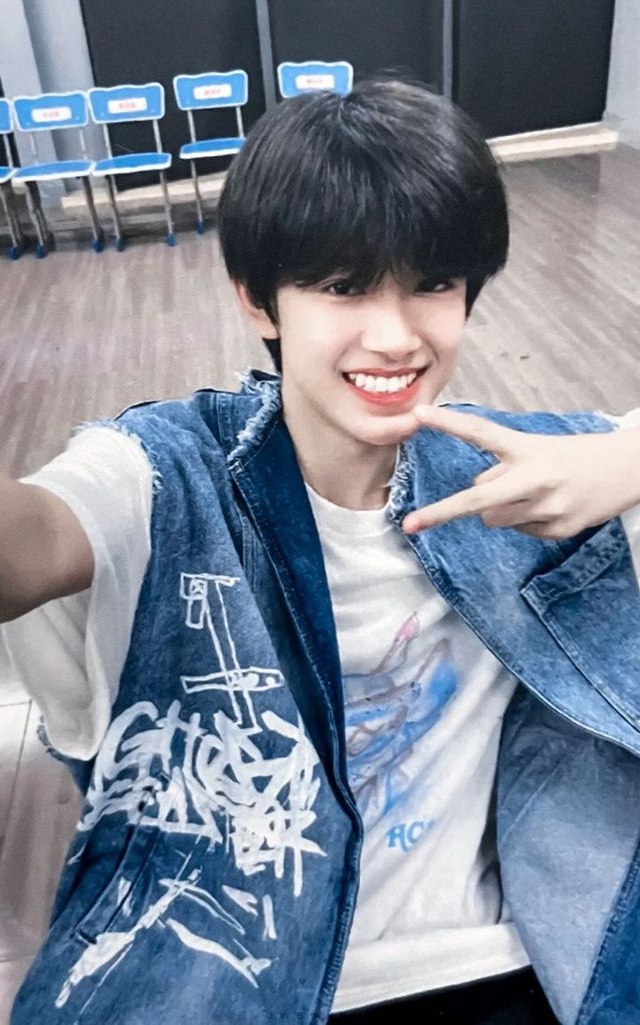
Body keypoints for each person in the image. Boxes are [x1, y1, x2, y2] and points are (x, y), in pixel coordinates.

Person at [1, 79, 640, 1025]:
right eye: (343, 287)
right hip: (222, 976)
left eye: (434, 284)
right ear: (258, 301)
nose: (396, 335)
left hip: (515, 967)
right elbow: (32, 541)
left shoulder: (515, 472)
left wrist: (622, 457)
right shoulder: (166, 474)